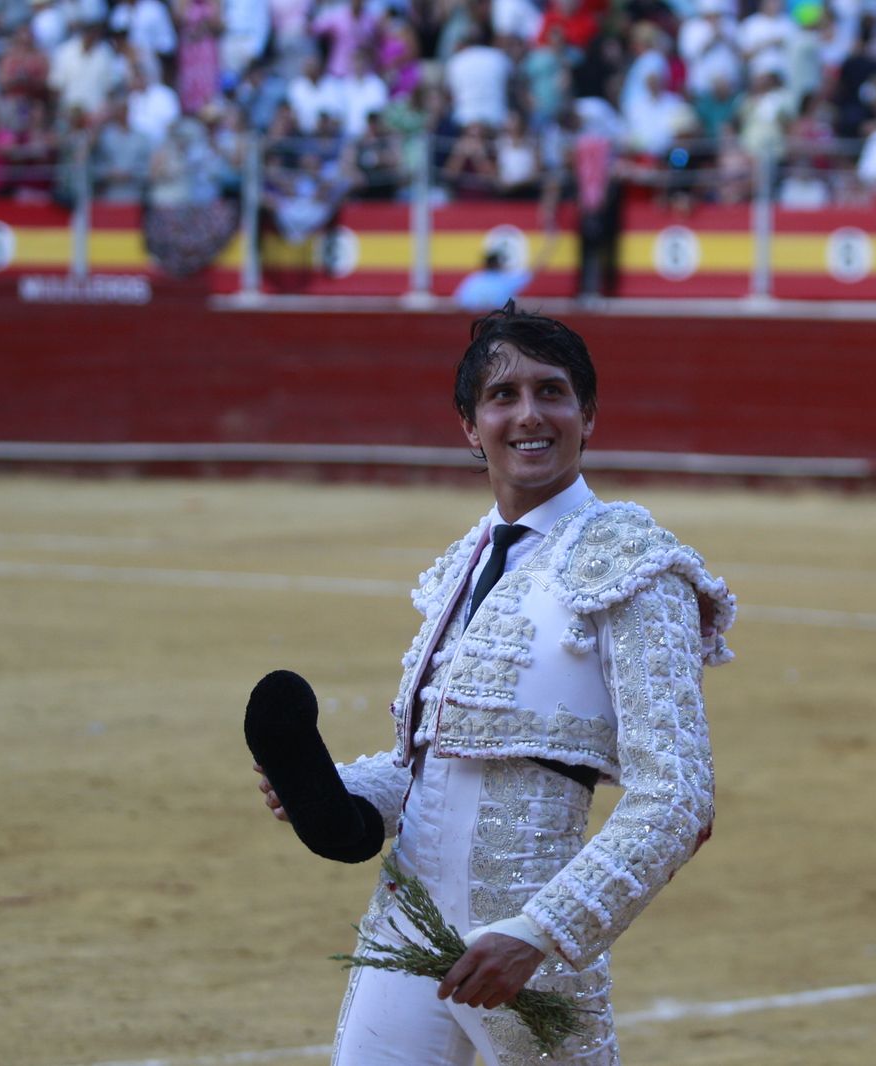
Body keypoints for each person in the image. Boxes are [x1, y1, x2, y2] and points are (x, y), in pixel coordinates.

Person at [254, 306, 735, 1064]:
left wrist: (541, 934)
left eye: (552, 391)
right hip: (407, 919)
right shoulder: (467, 562)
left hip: (527, 940)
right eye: (503, 396)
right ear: (470, 427)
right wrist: (338, 794)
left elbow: (677, 796)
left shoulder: (636, 564)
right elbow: (436, 760)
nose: (529, 414)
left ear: (588, 417)